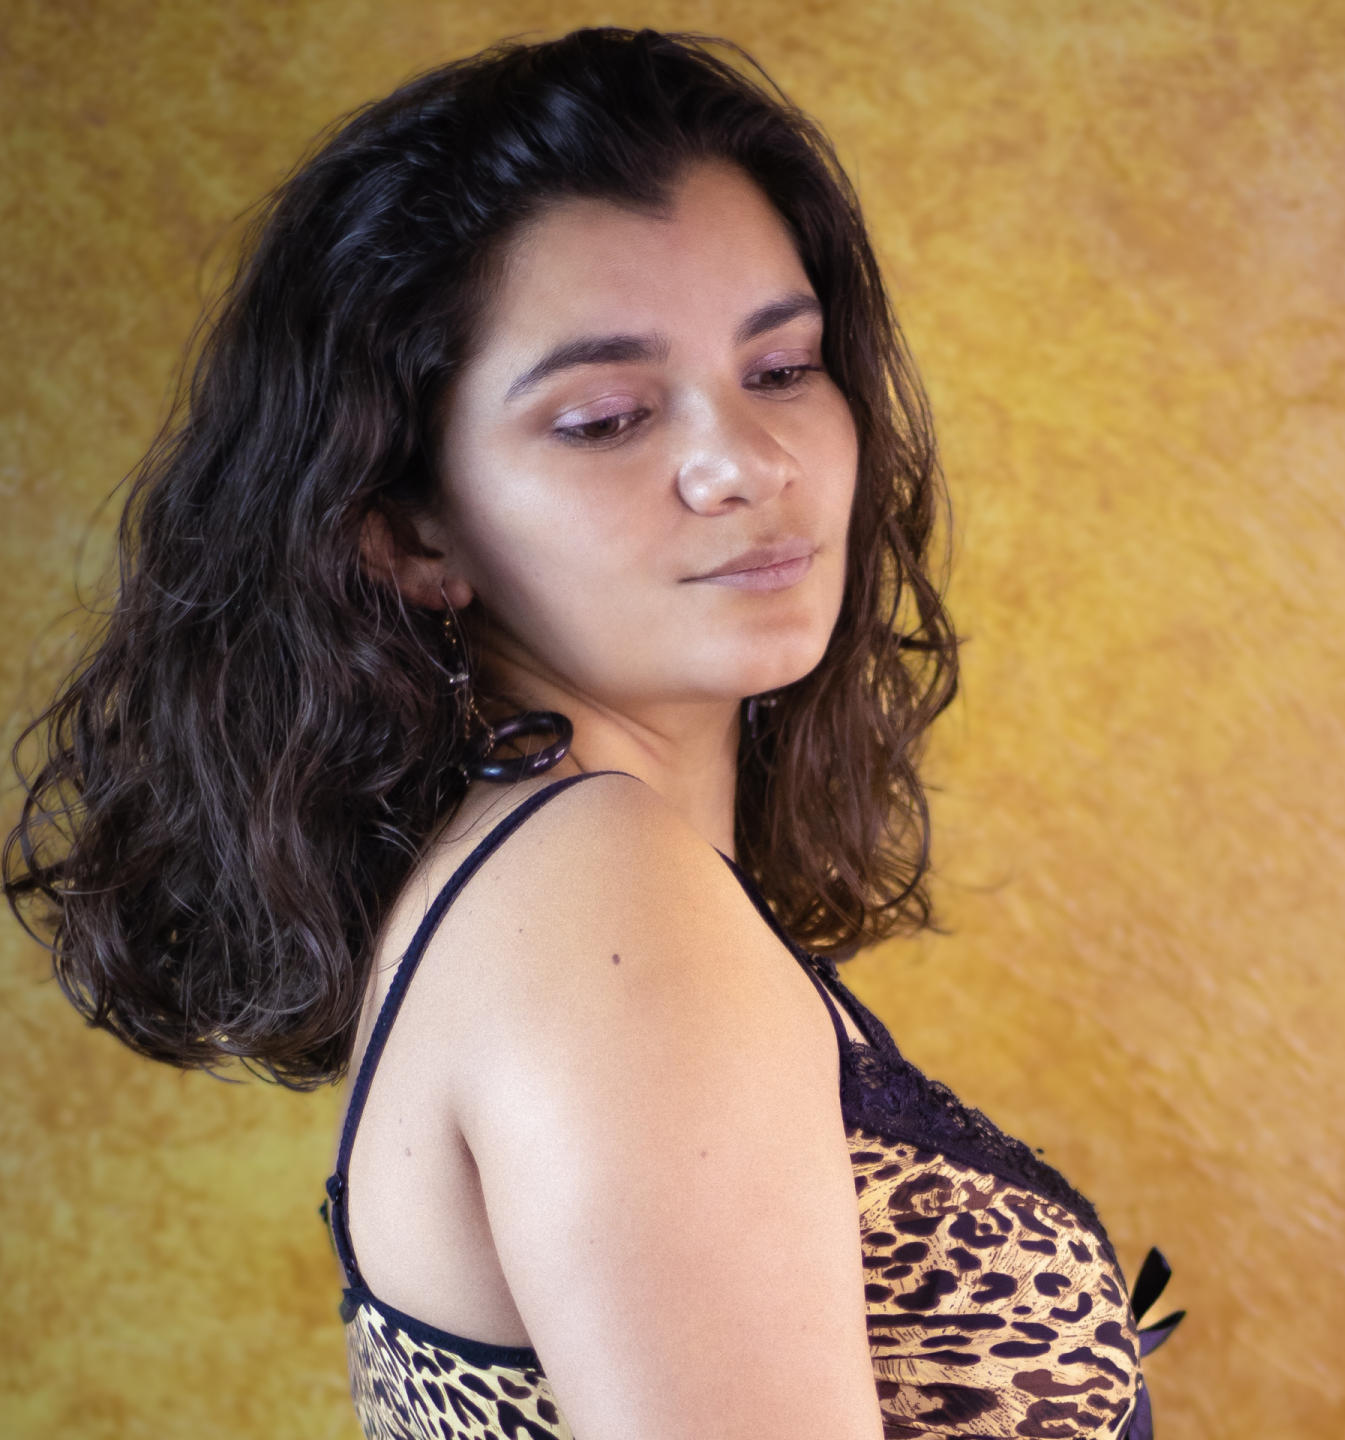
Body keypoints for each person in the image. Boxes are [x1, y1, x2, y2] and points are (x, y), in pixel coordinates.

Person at [4, 27, 1183, 1439]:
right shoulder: (606, 900)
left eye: (783, 368)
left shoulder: (545, 880)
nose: (746, 463)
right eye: (609, 417)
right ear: (411, 534)